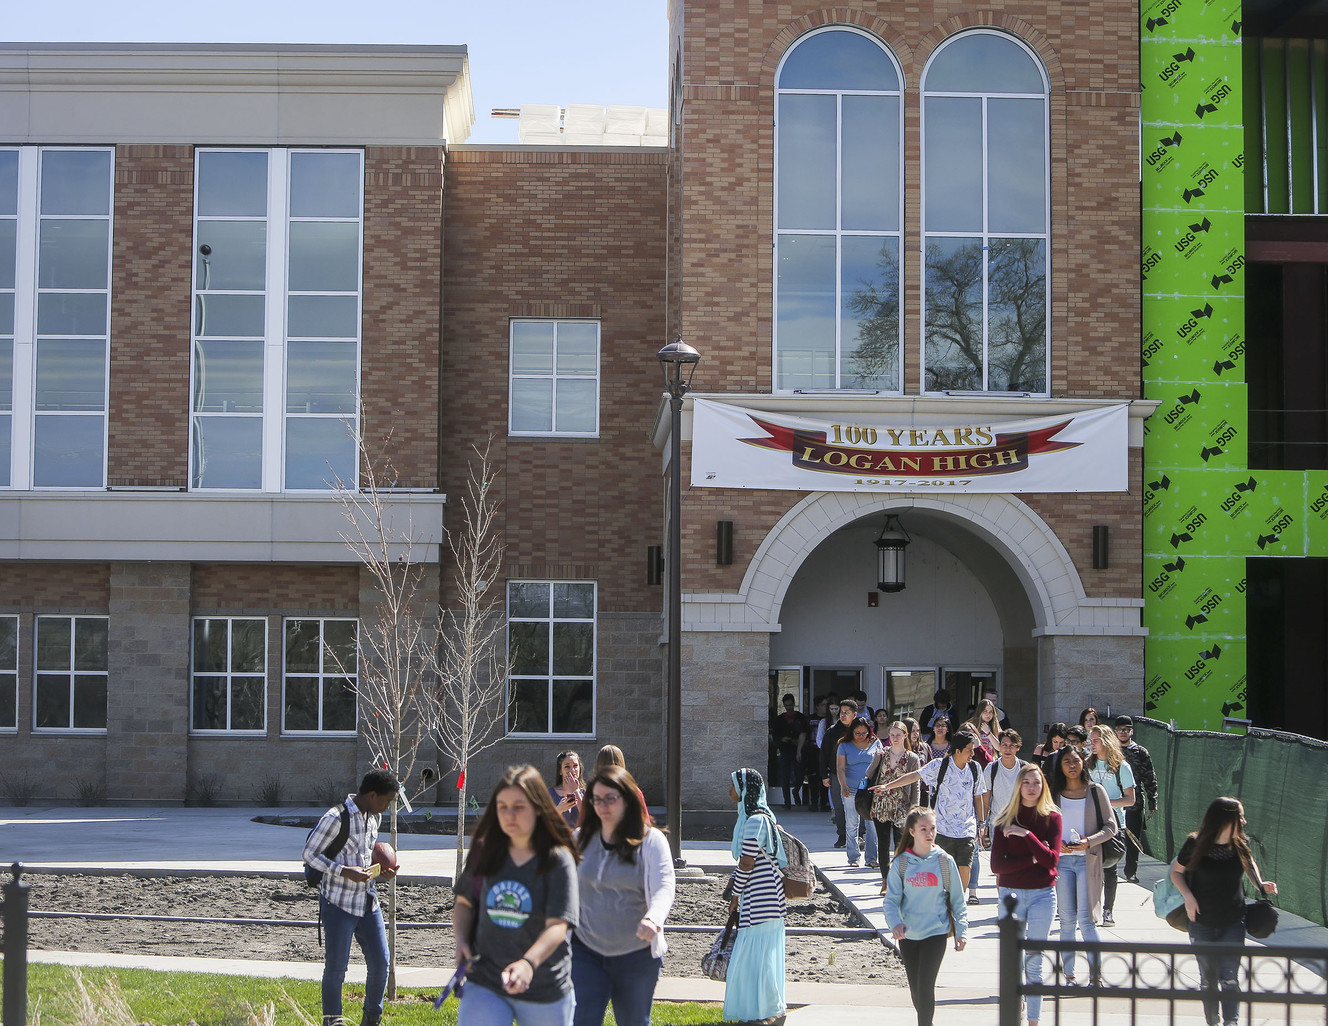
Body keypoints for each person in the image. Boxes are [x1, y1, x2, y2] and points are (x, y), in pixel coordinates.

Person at [452, 765, 580, 1026]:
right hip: (486, 980)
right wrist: (462, 940)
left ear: (538, 808)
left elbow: (558, 926)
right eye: (502, 806)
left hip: (544, 986)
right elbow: (464, 903)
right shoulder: (484, 850)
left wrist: (527, 964)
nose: (509, 815)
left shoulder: (557, 859)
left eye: (519, 807)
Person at [570, 765, 675, 1026]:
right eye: (597, 800)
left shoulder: (650, 841)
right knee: (580, 1019)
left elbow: (664, 885)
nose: (603, 806)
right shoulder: (579, 840)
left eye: (611, 799)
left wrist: (654, 918)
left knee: (634, 1021)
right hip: (585, 950)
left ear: (627, 800)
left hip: (636, 954)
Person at [303, 769, 400, 1026]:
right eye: (387, 801)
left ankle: (371, 1019)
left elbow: (364, 859)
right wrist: (344, 871)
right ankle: (333, 1022)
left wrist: (382, 871)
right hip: (338, 903)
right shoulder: (335, 818)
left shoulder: (373, 818)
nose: (388, 807)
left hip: (368, 902)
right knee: (336, 971)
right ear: (372, 795)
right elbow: (310, 854)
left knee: (381, 964)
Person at [1170, 796, 1278, 1026]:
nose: (1244, 821)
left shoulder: (1240, 843)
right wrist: (1188, 897)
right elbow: (1176, 872)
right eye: (1240, 816)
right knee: (1208, 979)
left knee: (1229, 977)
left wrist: (1261, 884)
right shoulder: (1196, 843)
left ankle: (1232, 1022)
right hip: (1200, 920)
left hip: (1233, 920)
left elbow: (1249, 864)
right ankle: (1212, 1021)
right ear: (1225, 818)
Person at [883, 806, 968, 1026]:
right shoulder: (901, 863)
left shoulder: (944, 861)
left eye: (932, 828)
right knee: (916, 991)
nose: (929, 833)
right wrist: (895, 924)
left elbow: (958, 900)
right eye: (923, 829)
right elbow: (891, 900)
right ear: (911, 831)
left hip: (936, 932)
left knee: (926, 986)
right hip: (909, 935)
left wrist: (962, 931)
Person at [990, 764, 1061, 1026]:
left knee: (1035, 959)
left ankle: (1034, 1020)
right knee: (1013, 959)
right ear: (1019, 786)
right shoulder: (1004, 818)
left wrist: (1026, 835)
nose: (1032, 787)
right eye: (1027, 782)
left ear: (1043, 787)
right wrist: (1033, 858)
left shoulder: (1052, 817)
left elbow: (1052, 860)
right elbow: (998, 866)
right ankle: (1013, 1013)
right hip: (1011, 894)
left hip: (1043, 894)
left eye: (1037, 782)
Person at [875, 731, 988, 895]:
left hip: (966, 830)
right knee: (942, 874)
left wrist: (982, 824)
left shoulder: (975, 768)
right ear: (958, 751)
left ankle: (958, 904)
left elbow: (978, 797)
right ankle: (943, 904)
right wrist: (887, 786)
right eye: (969, 750)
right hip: (942, 830)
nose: (972, 753)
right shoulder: (939, 765)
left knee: (964, 868)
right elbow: (914, 776)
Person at [1047, 745, 1116, 985]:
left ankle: (1096, 976)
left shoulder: (1096, 791)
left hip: (1088, 861)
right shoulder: (1054, 793)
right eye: (1067, 761)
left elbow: (1110, 826)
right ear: (1061, 766)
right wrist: (1056, 845)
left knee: (1086, 920)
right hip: (1062, 863)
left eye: (1076, 761)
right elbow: (1044, 827)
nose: (1072, 765)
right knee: (1066, 921)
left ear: (1083, 763)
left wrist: (1088, 842)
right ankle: (1069, 975)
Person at [724, 768, 787, 1026]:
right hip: (762, 898)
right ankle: (762, 1012)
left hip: (764, 899)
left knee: (757, 960)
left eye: (733, 786)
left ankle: (768, 1012)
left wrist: (734, 893)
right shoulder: (758, 818)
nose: (729, 791)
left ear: (744, 790)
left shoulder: (755, 821)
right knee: (758, 959)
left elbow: (747, 863)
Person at [1086, 724, 1136, 926]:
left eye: (1096, 740)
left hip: (1114, 824)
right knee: (1088, 867)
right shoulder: (1087, 765)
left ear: (1106, 741)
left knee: (1110, 868)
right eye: (1091, 740)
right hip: (1090, 823)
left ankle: (1108, 911)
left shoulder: (1121, 767)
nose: (1093, 744)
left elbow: (1130, 799)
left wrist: (1106, 803)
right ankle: (1089, 908)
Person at [972, 729, 1027, 905]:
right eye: (1004, 745)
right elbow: (986, 799)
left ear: (1018, 747)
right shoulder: (992, 768)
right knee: (1001, 868)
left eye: (1012, 745)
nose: (1008, 749)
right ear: (999, 747)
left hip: (1021, 824)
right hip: (998, 824)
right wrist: (984, 824)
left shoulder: (1025, 769)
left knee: (1021, 866)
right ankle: (1004, 902)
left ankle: (1019, 901)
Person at [865, 721, 921, 893]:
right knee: (882, 843)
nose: (895, 738)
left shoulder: (912, 758)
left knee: (900, 845)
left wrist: (914, 808)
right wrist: (877, 758)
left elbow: (915, 784)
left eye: (898, 735)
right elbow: (868, 774)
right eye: (892, 735)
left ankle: (898, 881)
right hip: (881, 803)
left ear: (905, 736)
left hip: (901, 806)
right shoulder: (883, 753)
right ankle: (885, 881)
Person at [1114, 715, 1159, 883]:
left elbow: (1149, 777)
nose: (1123, 733)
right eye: (1120, 729)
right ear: (1115, 731)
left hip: (1134, 802)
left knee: (1133, 839)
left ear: (1131, 731)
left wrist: (1152, 800)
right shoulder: (1111, 751)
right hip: (1112, 800)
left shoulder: (1140, 752)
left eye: (1126, 729)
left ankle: (1130, 871)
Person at [837, 715, 883, 868]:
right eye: (858, 733)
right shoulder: (844, 745)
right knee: (852, 823)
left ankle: (871, 858)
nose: (861, 736)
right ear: (852, 732)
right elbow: (840, 768)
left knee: (871, 825)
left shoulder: (876, 743)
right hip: (851, 789)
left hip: (870, 790)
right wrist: (843, 786)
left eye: (864, 733)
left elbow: (882, 765)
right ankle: (853, 857)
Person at [820, 698, 858, 848]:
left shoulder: (861, 730)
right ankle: (842, 835)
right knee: (839, 805)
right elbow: (824, 754)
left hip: (856, 774)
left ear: (854, 714)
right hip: (836, 774)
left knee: (857, 805)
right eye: (841, 712)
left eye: (846, 713)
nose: (843, 715)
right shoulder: (832, 731)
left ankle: (857, 836)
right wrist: (824, 775)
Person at [773, 693, 808, 808]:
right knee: (785, 776)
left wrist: (798, 747)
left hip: (797, 749)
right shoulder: (780, 719)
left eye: (791, 705)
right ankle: (787, 802)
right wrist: (782, 739)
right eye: (787, 705)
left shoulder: (800, 717)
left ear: (794, 704)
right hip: (785, 750)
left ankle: (796, 790)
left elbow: (804, 733)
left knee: (800, 775)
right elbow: (775, 735)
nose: (789, 707)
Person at [802, 697, 828, 812]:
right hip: (812, 751)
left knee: (824, 777)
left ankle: (824, 803)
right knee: (813, 778)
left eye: (826, 705)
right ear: (817, 706)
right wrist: (799, 751)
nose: (825, 707)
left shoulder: (829, 720)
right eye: (823, 705)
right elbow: (803, 734)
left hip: (825, 751)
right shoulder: (810, 719)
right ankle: (813, 802)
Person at [547, 751, 584, 830]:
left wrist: (575, 791)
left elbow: (589, 818)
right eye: (567, 767)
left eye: (575, 766)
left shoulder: (586, 793)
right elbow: (543, 822)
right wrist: (559, 809)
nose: (572, 770)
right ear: (560, 771)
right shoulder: (549, 794)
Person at [960, 699, 1000, 769]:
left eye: (991, 712)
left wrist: (988, 733)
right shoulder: (972, 726)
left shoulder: (994, 726)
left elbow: (999, 747)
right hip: (975, 761)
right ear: (980, 712)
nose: (988, 715)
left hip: (990, 761)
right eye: (985, 711)